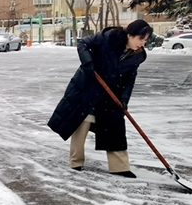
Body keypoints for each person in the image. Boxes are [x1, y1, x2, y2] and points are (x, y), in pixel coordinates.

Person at [47, 20, 153, 177]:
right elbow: (83, 43)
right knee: (83, 121)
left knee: (115, 124)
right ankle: (76, 161)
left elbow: (129, 79)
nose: (142, 44)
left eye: (145, 41)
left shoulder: (138, 56)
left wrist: (123, 101)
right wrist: (88, 63)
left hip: (110, 91)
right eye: (140, 39)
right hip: (88, 84)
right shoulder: (108, 38)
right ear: (130, 35)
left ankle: (120, 166)